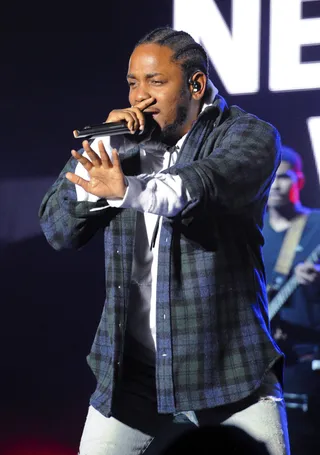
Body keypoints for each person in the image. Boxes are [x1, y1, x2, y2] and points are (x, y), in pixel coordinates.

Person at [39, 26, 290, 455]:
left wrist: (124, 190)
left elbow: (200, 186)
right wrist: (105, 143)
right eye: (134, 83)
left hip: (227, 367)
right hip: (133, 374)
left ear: (196, 84)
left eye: (156, 82)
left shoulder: (247, 135)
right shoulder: (122, 143)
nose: (141, 97)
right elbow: (58, 229)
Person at [262, 146, 320, 452]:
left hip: (306, 361)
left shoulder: (316, 226)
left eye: (283, 177)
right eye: (269, 178)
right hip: (262, 362)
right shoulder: (253, 230)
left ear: (300, 180)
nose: (275, 185)